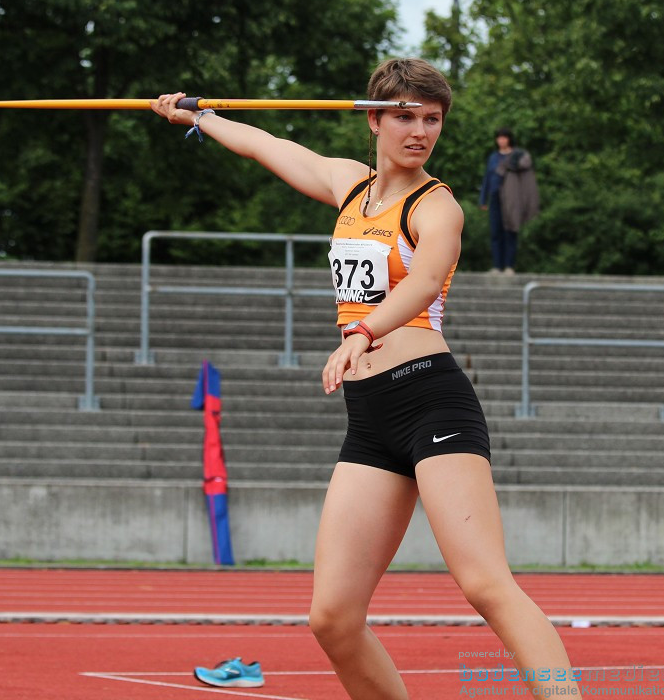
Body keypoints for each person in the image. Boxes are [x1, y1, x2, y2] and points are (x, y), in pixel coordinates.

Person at [151, 58, 576, 700]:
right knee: (333, 617)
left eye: (431, 119)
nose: (420, 131)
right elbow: (270, 144)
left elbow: (427, 281)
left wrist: (362, 332)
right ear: (372, 118)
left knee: (486, 584)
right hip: (370, 416)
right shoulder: (350, 186)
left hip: (432, 400)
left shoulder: (438, 208)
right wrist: (201, 117)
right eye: (405, 116)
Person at [479, 128, 539, 276]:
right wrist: (483, 198)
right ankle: (497, 266)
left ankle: (509, 266)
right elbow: (487, 178)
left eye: (504, 137)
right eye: (499, 138)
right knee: (495, 232)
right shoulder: (493, 157)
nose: (501, 140)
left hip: (512, 199)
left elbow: (526, 177)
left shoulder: (517, 156)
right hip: (495, 198)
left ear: (509, 139)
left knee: (510, 231)